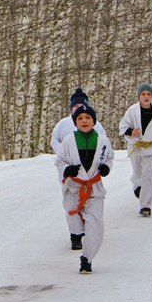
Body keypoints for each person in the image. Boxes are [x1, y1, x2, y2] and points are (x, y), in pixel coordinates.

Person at [55, 104, 114, 273]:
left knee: (95, 227)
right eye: (80, 118)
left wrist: (106, 168)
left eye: (88, 118)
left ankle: (87, 258)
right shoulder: (68, 141)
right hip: (74, 188)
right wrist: (67, 169)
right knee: (75, 224)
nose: (84, 121)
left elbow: (109, 157)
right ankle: (76, 234)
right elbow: (59, 161)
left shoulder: (103, 141)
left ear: (93, 121)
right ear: (75, 122)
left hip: (94, 188)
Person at [51, 88, 106, 250]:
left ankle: (88, 229)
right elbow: (54, 141)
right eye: (75, 107)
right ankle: (75, 234)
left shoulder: (95, 125)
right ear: (71, 109)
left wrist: (102, 166)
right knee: (71, 202)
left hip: (89, 172)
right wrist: (66, 162)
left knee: (90, 201)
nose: (81, 116)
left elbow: (104, 146)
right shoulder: (63, 125)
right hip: (70, 171)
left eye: (82, 106)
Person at [119, 83, 152, 217]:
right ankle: (137, 184)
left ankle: (146, 205)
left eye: (149, 94)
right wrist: (131, 131)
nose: (146, 97)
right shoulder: (132, 110)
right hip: (135, 146)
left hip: (151, 146)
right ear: (139, 96)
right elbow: (123, 126)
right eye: (143, 94)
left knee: (148, 175)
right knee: (138, 172)